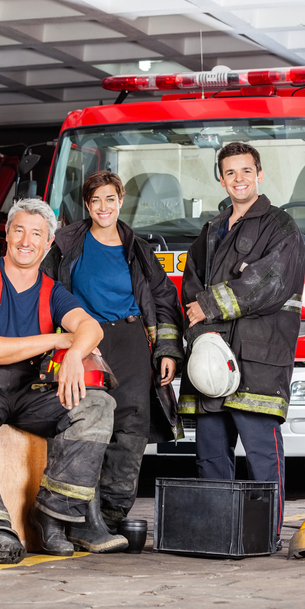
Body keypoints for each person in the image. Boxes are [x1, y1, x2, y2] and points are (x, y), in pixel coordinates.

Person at [0, 198, 127, 565]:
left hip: (27, 387)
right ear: (6, 235)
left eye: (36, 234)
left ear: (48, 243)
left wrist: (72, 355)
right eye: (19, 230)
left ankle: (55, 512)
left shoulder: (52, 291)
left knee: (98, 405)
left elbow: (91, 328)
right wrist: (57, 340)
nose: (26, 240)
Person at [42, 170, 183, 535]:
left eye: (110, 199)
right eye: (95, 200)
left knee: (131, 429)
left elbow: (165, 299)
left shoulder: (137, 249)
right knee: (90, 423)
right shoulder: (67, 245)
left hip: (131, 340)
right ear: (87, 206)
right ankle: (79, 515)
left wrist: (167, 349)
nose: (103, 207)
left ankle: (114, 514)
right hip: (86, 342)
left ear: (120, 201)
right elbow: (43, 294)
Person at [180, 141, 305, 538]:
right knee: (211, 458)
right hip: (212, 363)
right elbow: (190, 288)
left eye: (246, 171)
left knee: (262, 458)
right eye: (230, 173)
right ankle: (217, 534)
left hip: (258, 362)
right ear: (221, 179)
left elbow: (270, 282)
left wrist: (208, 307)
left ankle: (264, 535)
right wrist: (202, 334)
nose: (239, 179)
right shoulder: (211, 231)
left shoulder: (281, 227)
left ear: (260, 175)